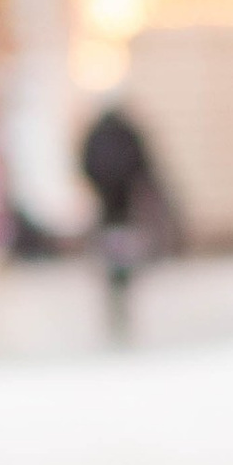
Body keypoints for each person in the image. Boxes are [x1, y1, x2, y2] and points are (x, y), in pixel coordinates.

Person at [78, 102, 180, 342]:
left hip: (109, 210)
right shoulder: (126, 133)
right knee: (122, 256)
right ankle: (121, 297)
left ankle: (117, 299)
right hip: (124, 209)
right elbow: (145, 165)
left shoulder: (97, 135)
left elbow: (85, 165)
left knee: (113, 257)